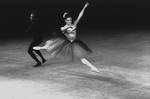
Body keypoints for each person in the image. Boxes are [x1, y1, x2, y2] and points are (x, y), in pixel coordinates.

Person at [33, 2, 99, 73]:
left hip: (75, 43)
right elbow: (62, 29)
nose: (70, 21)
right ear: (65, 21)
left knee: (82, 58)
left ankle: (92, 67)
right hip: (67, 43)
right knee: (53, 46)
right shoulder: (63, 27)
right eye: (68, 20)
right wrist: (67, 27)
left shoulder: (74, 24)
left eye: (70, 20)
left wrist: (84, 7)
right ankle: (41, 48)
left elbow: (80, 16)